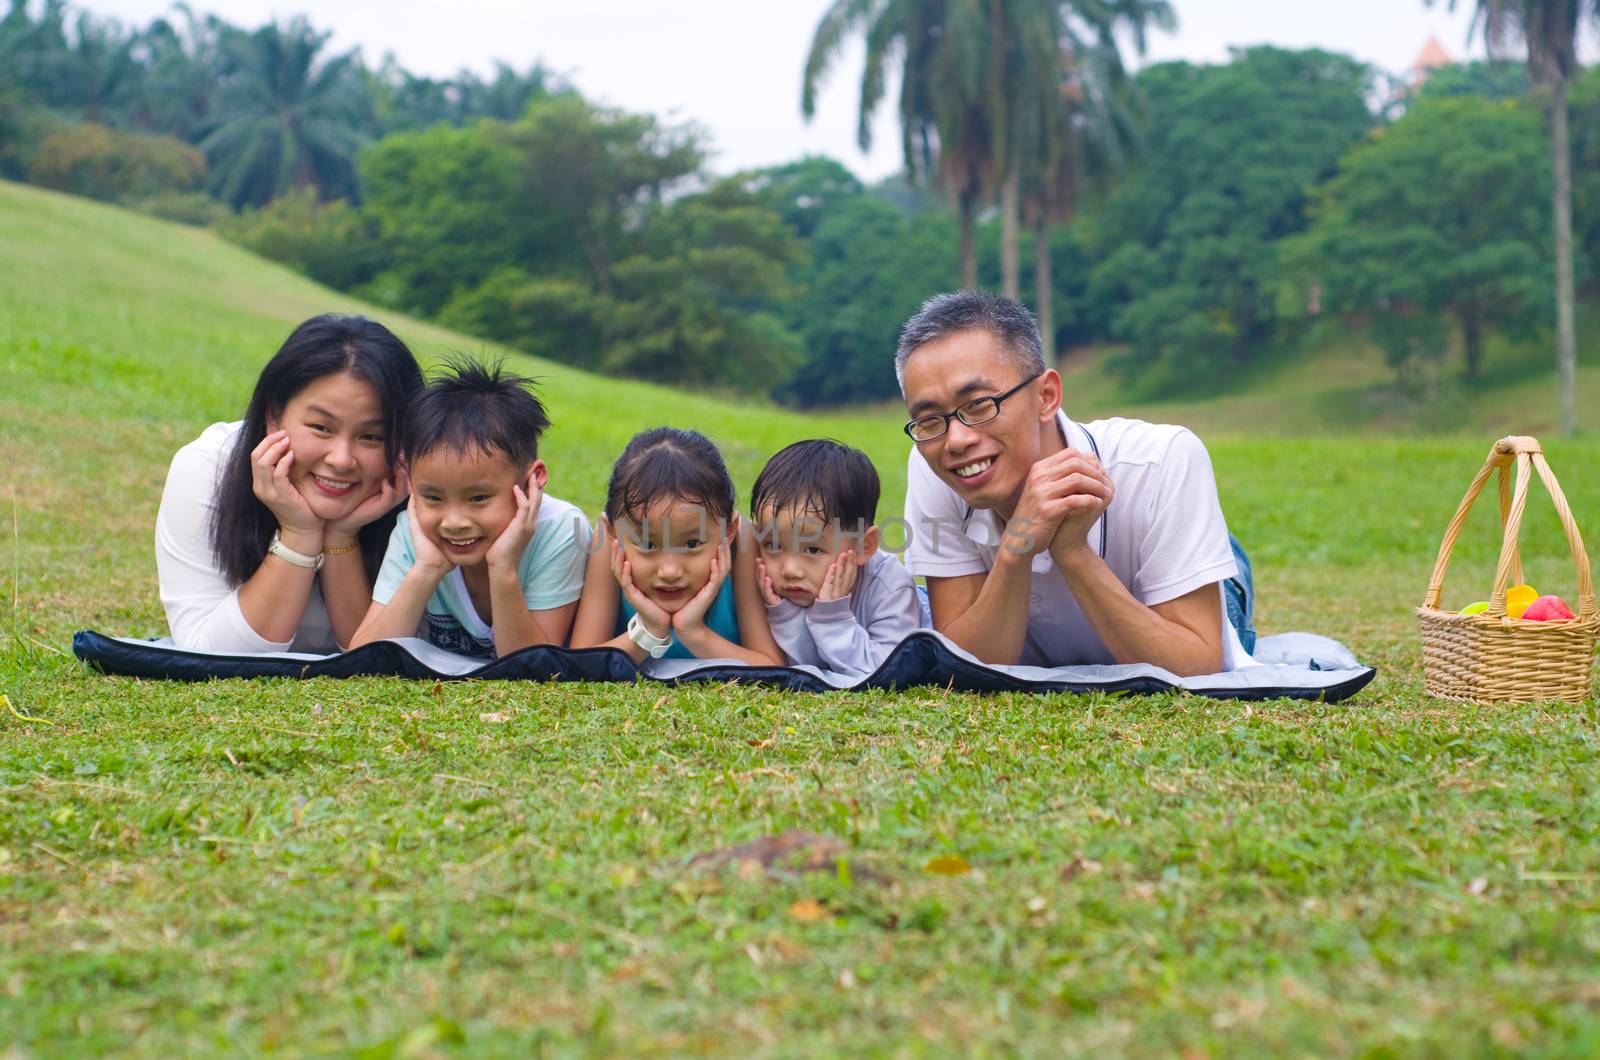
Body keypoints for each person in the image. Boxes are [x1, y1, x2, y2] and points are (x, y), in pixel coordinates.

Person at [898, 290, 1255, 676]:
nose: (957, 440)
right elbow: (964, 664)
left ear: (1046, 396)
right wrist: (1019, 545)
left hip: (1171, 563)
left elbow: (1196, 665)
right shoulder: (932, 461)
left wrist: (1072, 551)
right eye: (931, 419)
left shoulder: (1159, 459)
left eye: (980, 405)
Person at [155, 314, 424, 653]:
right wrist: (299, 535)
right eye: (321, 427)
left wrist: (341, 538)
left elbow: (380, 656)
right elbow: (213, 654)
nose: (341, 459)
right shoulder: (208, 467)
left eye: (372, 436)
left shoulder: (426, 493)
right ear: (273, 415)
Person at [350, 359, 589, 658]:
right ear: (411, 482)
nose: (454, 522)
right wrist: (427, 570)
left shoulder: (560, 530)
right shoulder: (413, 532)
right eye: (433, 498)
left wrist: (503, 568)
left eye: (478, 499)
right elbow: (362, 659)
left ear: (533, 481)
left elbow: (534, 668)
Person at [571, 428, 783, 666]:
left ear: (728, 531)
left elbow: (771, 666)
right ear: (612, 533)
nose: (669, 572)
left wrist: (694, 633)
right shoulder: (608, 543)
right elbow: (579, 663)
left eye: (692, 544)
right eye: (647, 544)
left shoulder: (743, 543)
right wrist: (649, 631)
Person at [750, 439, 922, 674]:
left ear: (864, 546)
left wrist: (833, 619)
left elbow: (889, 670)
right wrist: (785, 615)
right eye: (773, 545)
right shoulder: (773, 584)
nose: (789, 570)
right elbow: (808, 666)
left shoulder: (890, 588)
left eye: (812, 550)